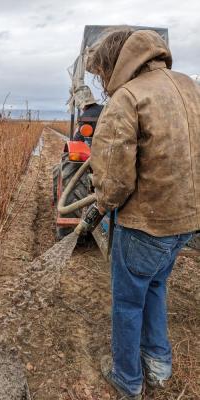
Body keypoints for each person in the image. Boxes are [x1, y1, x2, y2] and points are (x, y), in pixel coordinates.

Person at [89, 28, 200, 399]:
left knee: (127, 302)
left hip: (146, 224)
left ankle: (127, 378)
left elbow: (115, 181)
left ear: (114, 63)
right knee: (155, 286)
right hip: (186, 222)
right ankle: (159, 366)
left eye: (101, 72)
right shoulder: (188, 86)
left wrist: (102, 202)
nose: (102, 81)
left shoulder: (128, 98)